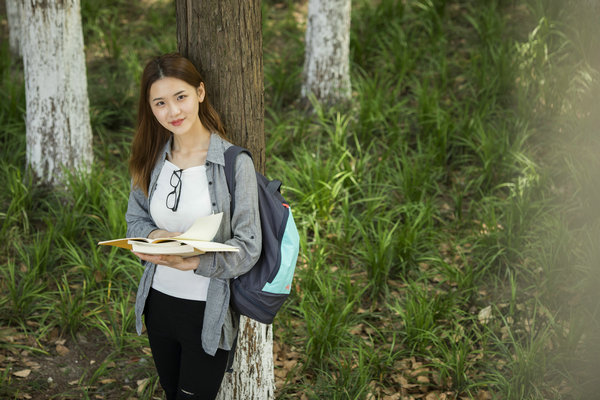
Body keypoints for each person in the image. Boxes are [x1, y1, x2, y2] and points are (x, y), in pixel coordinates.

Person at [125, 53, 262, 400]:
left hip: (206, 310)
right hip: (158, 304)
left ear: (200, 92)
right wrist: (157, 237)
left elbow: (249, 246)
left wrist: (194, 262)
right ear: (151, 108)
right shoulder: (152, 157)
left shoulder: (234, 162)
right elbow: (135, 220)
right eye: (160, 102)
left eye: (180, 97)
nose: (173, 112)